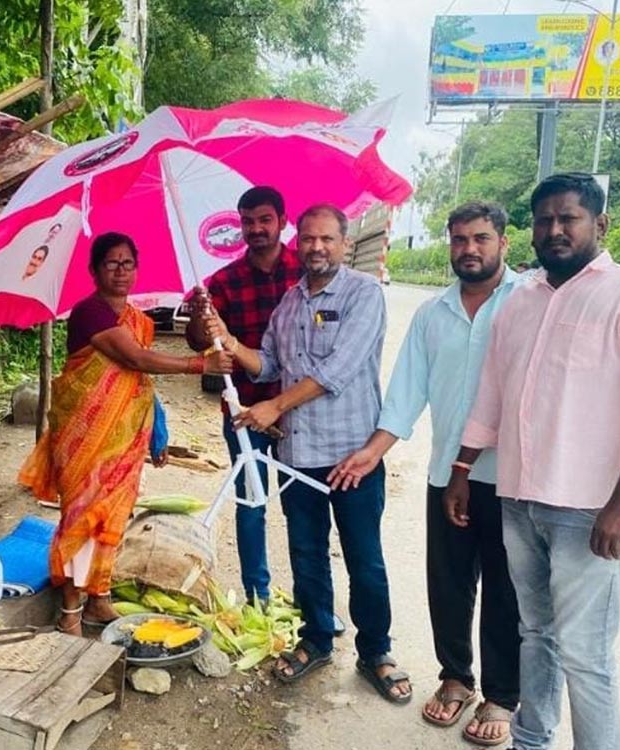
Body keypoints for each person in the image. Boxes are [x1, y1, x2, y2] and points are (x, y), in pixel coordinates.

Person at [445, 173, 620, 750]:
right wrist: (462, 469)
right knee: (536, 633)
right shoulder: (522, 301)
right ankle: (532, 739)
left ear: (600, 224)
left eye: (569, 218)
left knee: (586, 655)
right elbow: (492, 395)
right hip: (519, 497)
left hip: (589, 508)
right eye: (544, 220)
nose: (554, 229)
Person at [331, 201, 522, 745]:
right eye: (459, 239)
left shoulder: (527, 303)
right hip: (448, 473)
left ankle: (503, 696)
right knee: (449, 583)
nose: (469, 249)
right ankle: (456, 677)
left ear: (503, 243)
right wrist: (374, 450)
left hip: (512, 477)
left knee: (506, 592)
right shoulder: (433, 313)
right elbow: (406, 391)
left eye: (481, 238)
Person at [204, 205, 411, 703]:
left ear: (342, 244)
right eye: (310, 240)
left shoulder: (364, 295)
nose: (316, 248)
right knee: (307, 555)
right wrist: (230, 339)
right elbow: (267, 362)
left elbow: (338, 370)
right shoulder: (291, 303)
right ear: (299, 243)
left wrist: (274, 404)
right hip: (297, 454)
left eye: (327, 239)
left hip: (352, 456)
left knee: (365, 559)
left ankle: (376, 652)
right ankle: (316, 638)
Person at [20, 232, 232, 637]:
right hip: (85, 438)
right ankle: (69, 610)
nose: (121, 271)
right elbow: (135, 358)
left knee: (115, 515)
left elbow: (137, 381)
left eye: (128, 263)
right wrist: (198, 366)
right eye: (111, 263)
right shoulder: (90, 312)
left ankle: (98, 599)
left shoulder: (138, 318)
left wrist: (156, 429)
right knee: (81, 516)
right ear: (95, 270)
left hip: (125, 436)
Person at [186, 186, 345, 634]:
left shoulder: (306, 270)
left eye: (264, 220)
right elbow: (199, 343)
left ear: (281, 221)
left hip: (302, 409)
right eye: (248, 221)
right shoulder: (220, 280)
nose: (256, 229)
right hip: (245, 411)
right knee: (250, 503)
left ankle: (312, 603)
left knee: (303, 506)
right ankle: (257, 599)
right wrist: (202, 315)